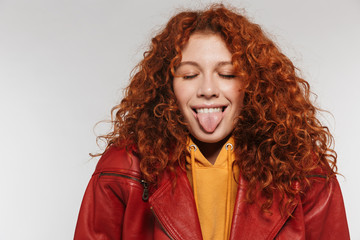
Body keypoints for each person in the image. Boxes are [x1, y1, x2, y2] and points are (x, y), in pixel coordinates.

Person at [74, 4, 350, 240]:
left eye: (228, 74)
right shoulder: (123, 170)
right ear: (167, 87)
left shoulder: (304, 172)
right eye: (189, 75)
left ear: (251, 85)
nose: (208, 89)